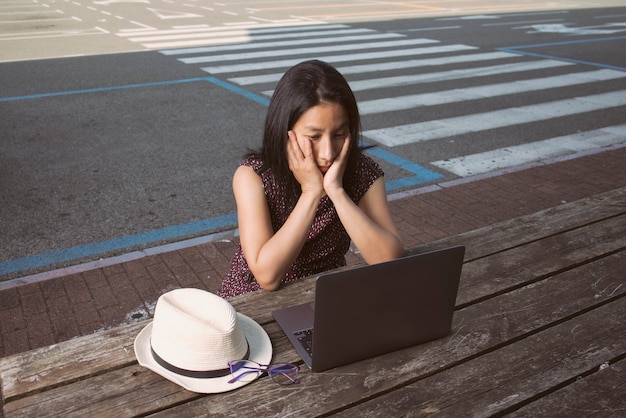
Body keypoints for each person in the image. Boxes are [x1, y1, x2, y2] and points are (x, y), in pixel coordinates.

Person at [218, 60, 404, 298]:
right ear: (285, 130)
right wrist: (311, 193)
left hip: (323, 299)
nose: (327, 152)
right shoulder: (254, 176)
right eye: (314, 136)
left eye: (339, 134)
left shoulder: (362, 172)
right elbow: (267, 276)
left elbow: (389, 259)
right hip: (252, 301)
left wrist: (336, 192)